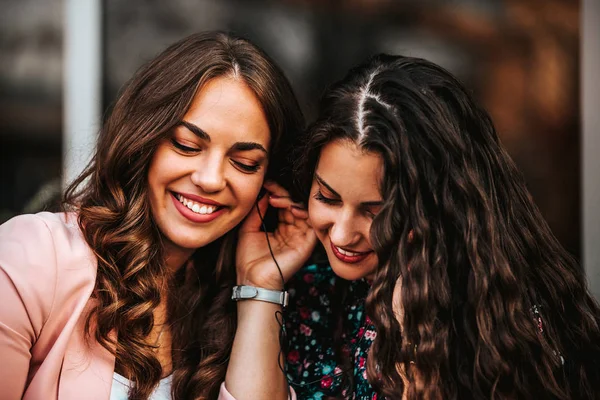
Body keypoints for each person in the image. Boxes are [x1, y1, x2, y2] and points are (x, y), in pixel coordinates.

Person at [241, 54, 600, 399]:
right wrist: (261, 286)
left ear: (435, 208)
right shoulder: (311, 287)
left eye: (376, 213)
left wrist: (414, 344)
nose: (341, 235)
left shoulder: (498, 321)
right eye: (328, 199)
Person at [0, 31, 309, 400]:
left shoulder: (234, 302)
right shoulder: (33, 257)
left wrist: (260, 287)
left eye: (244, 163)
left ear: (266, 182)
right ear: (143, 139)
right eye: (186, 145)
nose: (210, 179)